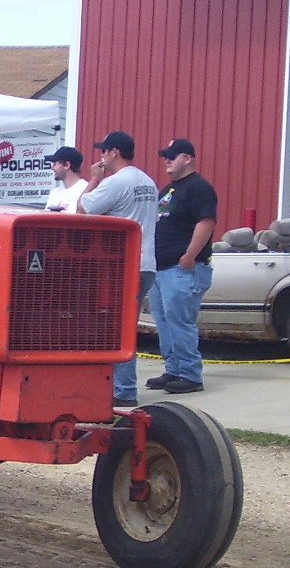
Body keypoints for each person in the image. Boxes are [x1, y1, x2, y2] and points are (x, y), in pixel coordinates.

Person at [77, 131, 158, 407]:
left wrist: (93, 179)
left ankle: (122, 389)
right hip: (147, 263)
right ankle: (121, 386)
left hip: (122, 264)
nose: (100, 157)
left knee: (114, 329)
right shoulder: (147, 181)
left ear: (114, 152)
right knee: (126, 327)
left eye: (104, 152)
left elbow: (83, 210)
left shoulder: (115, 183)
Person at [146, 138, 217, 395]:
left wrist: (189, 256)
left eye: (173, 155)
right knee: (163, 322)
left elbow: (206, 222)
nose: (167, 159)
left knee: (180, 321)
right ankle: (173, 369)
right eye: (166, 155)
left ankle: (190, 374)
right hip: (161, 269)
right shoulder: (167, 191)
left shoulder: (198, 187)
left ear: (187, 158)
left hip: (184, 268)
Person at [43, 146, 88, 213]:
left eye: (55, 164)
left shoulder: (85, 190)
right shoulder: (54, 193)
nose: (52, 168)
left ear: (67, 165)